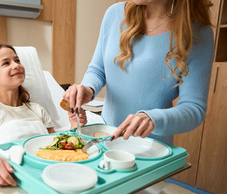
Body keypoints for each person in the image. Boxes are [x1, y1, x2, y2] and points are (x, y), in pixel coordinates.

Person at [64, 0, 214, 145]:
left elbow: (194, 108)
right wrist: (88, 89)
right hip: (105, 141)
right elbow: (98, 69)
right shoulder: (114, 14)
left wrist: (153, 118)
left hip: (150, 149)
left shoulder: (198, 33)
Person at [0, 44, 87, 187]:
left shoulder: (37, 110)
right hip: (11, 179)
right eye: (6, 63)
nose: (16, 65)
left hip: (47, 176)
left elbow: (56, 146)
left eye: (17, 61)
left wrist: (75, 126)